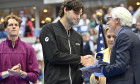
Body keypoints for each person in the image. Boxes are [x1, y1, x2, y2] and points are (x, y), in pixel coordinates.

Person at [39, 0, 93, 84]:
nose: (78, 17)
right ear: (66, 9)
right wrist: (80, 59)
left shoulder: (78, 37)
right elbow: (53, 56)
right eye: (76, 13)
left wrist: (89, 63)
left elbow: (80, 64)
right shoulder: (48, 29)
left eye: (80, 14)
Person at [83, 7, 140, 84]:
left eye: (109, 18)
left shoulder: (123, 35)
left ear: (117, 20)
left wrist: (100, 70)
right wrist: (98, 64)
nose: (107, 22)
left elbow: (121, 66)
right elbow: (123, 63)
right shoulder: (129, 33)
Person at [0, 14, 39, 84]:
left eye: (16, 25)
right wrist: (8, 73)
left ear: (19, 28)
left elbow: (35, 77)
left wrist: (20, 73)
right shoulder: (0, 48)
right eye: (11, 25)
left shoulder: (29, 49)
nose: (14, 27)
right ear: (5, 28)